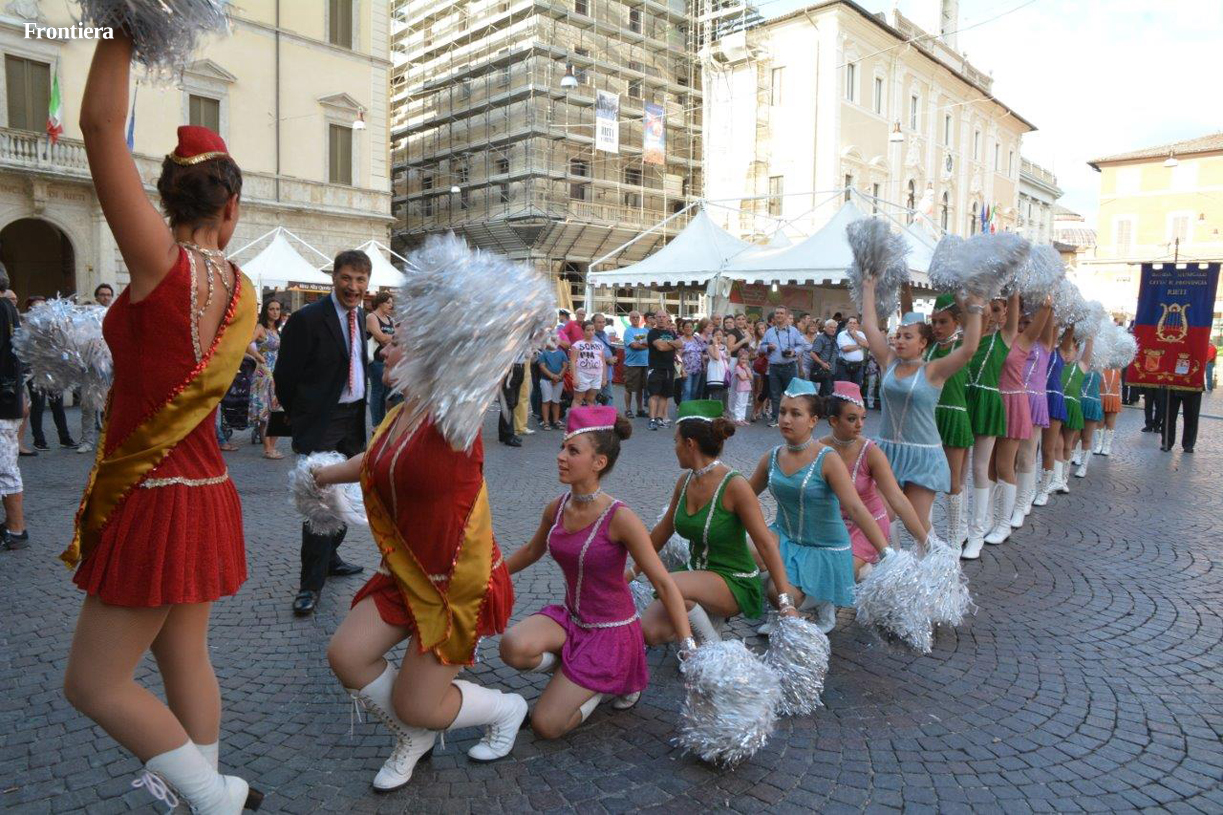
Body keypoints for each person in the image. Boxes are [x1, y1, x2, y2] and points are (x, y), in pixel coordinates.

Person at [62, 32, 261, 812]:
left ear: (167, 200)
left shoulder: (160, 264)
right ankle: (203, 793)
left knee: (93, 682)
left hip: (152, 494)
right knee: (186, 656)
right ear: (231, 206)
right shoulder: (242, 287)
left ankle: (212, 796)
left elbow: (99, 128)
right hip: (207, 489)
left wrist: (121, 26)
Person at [320, 339, 527, 793]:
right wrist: (322, 476)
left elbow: (484, 368)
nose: (384, 351)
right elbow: (376, 460)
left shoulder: (456, 415)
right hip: (405, 575)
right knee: (347, 655)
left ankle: (505, 709)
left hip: (457, 587)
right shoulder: (399, 413)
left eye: (395, 343)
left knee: (415, 704)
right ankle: (413, 736)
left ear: (429, 351)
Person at [500, 406, 693, 732]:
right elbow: (532, 551)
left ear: (599, 462)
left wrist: (689, 647)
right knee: (513, 647)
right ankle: (576, 672)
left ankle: (606, 683)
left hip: (610, 632)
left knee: (547, 725)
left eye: (573, 451)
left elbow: (662, 582)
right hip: (572, 619)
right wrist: (490, 576)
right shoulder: (557, 507)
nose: (561, 456)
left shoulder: (620, 518)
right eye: (562, 447)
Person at [646, 399, 798, 644]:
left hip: (733, 579)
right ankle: (702, 613)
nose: (674, 447)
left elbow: (765, 543)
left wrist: (785, 602)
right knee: (650, 632)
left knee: (667, 584)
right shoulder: (685, 481)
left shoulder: (735, 485)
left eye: (676, 441)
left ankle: (712, 646)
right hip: (694, 573)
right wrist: (630, 572)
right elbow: (663, 531)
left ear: (690, 443)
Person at [747, 380, 892, 634]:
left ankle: (824, 598)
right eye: (782, 412)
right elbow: (743, 497)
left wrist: (886, 553)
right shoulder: (772, 456)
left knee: (777, 593)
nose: (786, 420)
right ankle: (788, 599)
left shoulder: (827, 459)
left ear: (813, 421)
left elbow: (856, 508)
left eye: (796, 414)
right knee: (746, 552)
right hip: (785, 536)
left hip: (823, 549)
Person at [274, 250, 372, 617]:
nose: (353, 286)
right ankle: (309, 585)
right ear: (334, 278)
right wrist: (302, 417)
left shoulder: (360, 317)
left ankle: (331, 558)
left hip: (353, 419)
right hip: (322, 421)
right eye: (346, 278)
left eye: (360, 280)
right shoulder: (307, 319)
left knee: (348, 494)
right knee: (320, 502)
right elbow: (284, 376)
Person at [860, 280, 984, 547]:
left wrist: (974, 309)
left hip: (922, 455)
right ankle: (892, 565)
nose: (899, 341)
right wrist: (868, 287)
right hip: (887, 451)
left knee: (916, 522)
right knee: (882, 516)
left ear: (923, 343)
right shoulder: (888, 361)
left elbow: (969, 349)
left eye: (908, 337)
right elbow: (869, 326)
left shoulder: (933, 370)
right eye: (898, 335)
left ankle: (937, 562)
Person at [821, 381, 929, 579]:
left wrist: (926, 541)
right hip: (832, 525)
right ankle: (862, 572)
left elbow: (897, 498)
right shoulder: (819, 449)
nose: (860, 425)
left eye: (863, 418)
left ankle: (863, 569)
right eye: (852, 419)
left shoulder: (870, 452)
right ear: (834, 421)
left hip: (868, 525)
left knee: (840, 571)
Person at [983, 298, 1051, 545]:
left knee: (1007, 464)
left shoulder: (1022, 340)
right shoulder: (988, 339)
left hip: (1013, 403)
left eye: (999, 310)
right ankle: (987, 519)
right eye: (993, 310)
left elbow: (1044, 312)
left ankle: (1005, 522)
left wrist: (1044, 298)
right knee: (988, 467)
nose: (995, 315)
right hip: (992, 402)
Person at [962, 293, 1020, 556]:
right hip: (964, 400)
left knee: (980, 468)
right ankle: (960, 529)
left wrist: (1014, 290)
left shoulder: (1003, 338)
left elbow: (1013, 313)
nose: (990, 313)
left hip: (987, 403)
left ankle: (977, 534)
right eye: (986, 309)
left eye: (996, 309)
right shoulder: (967, 338)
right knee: (959, 470)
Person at [923, 295, 973, 545]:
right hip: (929, 417)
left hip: (954, 416)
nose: (937, 327)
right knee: (927, 479)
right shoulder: (929, 348)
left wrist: (959, 296)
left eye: (943, 321)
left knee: (954, 480)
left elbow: (974, 323)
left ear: (957, 321)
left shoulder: (963, 348)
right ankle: (927, 537)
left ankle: (955, 537)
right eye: (934, 322)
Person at [1009, 312, 1057, 528]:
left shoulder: (1044, 343)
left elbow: (1048, 316)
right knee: (1008, 458)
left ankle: (1021, 504)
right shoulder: (1012, 341)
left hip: (1033, 401)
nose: (1023, 327)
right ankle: (1009, 502)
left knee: (1026, 455)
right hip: (1012, 400)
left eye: (1028, 322)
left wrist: (1048, 305)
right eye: (1020, 322)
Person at [0, 271, 27, 550]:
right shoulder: (9, 308)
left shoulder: (2, 308)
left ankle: (17, 529)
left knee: (5, 467)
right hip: (8, 401)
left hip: (3, 405)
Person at [1034, 325, 1071, 507]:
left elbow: (1069, 330)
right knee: (1030, 449)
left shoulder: (1061, 351)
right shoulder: (1035, 346)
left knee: (1048, 448)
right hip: (1035, 397)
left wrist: (1068, 318)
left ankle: (1043, 490)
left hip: (1053, 399)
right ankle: (1029, 487)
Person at [248, 298, 283, 459]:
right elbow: (246, 343)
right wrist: (257, 356)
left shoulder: (276, 329)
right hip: (264, 373)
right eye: (271, 309)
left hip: (277, 372)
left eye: (277, 309)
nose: (275, 312)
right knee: (266, 412)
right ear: (266, 311)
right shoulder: (260, 328)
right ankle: (268, 449)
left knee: (279, 411)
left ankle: (272, 447)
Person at [760, 307, 804, 426]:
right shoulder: (769, 332)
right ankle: (775, 418)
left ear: (786, 315)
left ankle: (791, 418)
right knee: (775, 395)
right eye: (777, 313)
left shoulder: (794, 331)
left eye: (781, 313)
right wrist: (768, 347)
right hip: (774, 367)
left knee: (791, 394)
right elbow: (761, 347)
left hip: (790, 366)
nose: (779, 315)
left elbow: (801, 346)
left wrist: (794, 352)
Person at [1056, 330, 1089, 490]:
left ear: (1076, 351)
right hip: (1056, 406)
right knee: (1055, 444)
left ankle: (1063, 479)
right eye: (1065, 350)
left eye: (1070, 350)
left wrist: (1090, 335)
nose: (1067, 354)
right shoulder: (1056, 364)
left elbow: (1088, 351)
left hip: (1071, 408)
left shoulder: (1080, 367)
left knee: (1068, 445)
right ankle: (1053, 475)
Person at [365, 292, 395, 429]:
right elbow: (381, 338)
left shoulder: (390, 319)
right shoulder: (372, 317)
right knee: (378, 390)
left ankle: (387, 423)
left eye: (391, 303)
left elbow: (394, 338)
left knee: (389, 392)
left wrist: (387, 337)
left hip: (388, 360)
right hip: (375, 360)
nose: (391, 305)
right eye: (388, 302)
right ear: (380, 303)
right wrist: (389, 337)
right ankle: (377, 424)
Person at [646, 313, 681, 430]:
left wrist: (667, 343)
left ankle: (659, 419)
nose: (661, 319)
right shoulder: (652, 333)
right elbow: (660, 347)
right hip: (656, 367)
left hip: (669, 368)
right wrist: (672, 344)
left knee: (664, 395)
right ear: (655, 319)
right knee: (654, 394)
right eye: (659, 317)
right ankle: (652, 420)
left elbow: (680, 344)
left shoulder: (671, 332)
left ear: (667, 319)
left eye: (664, 317)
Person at [1075, 366, 1104, 477]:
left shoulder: (1099, 367)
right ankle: (1064, 471)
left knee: (1087, 438)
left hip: (1091, 404)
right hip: (1077, 402)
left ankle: (1083, 467)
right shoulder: (1077, 364)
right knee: (1074, 437)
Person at [621, 310, 649, 417]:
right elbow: (634, 346)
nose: (635, 319)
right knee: (629, 388)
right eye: (633, 317)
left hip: (645, 363)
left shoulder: (645, 331)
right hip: (631, 364)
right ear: (630, 319)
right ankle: (628, 410)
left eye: (637, 317)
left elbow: (649, 343)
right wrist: (646, 345)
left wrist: (642, 344)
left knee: (640, 389)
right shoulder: (628, 331)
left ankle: (640, 409)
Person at [570, 321, 604, 407]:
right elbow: (572, 361)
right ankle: (574, 416)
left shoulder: (599, 345)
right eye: (588, 330)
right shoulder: (577, 345)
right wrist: (574, 378)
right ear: (583, 331)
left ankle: (590, 415)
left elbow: (603, 361)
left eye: (593, 330)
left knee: (591, 399)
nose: (591, 332)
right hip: (582, 374)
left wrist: (604, 377)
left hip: (596, 375)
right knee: (578, 399)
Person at [537, 338, 568, 430]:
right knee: (546, 401)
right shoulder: (544, 353)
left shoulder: (562, 353)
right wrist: (552, 376)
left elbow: (565, 366)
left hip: (559, 381)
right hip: (546, 380)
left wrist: (559, 376)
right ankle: (546, 422)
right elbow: (542, 366)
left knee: (556, 401)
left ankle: (555, 421)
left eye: (555, 341)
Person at [498, 350, 526, 448]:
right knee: (508, 403)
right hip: (510, 367)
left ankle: (504, 434)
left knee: (513, 403)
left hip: (520, 366)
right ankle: (508, 435)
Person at [678, 319, 706, 403]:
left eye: (691, 327)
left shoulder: (697, 339)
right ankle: (684, 410)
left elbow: (700, 352)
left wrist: (704, 365)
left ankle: (691, 409)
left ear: (693, 328)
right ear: (683, 329)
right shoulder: (680, 340)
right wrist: (682, 371)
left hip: (698, 369)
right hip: (687, 370)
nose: (689, 328)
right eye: (687, 327)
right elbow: (678, 357)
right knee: (687, 391)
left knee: (694, 391)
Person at [835, 317, 868, 387]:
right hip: (844, 366)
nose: (852, 325)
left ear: (858, 325)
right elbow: (845, 348)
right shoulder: (841, 334)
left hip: (858, 366)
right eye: (850, 323)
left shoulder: (861, 334)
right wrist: (859, 346)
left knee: (857, 387)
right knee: (844, 388)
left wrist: (855, 335)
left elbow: (867, 345)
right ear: (847, 324)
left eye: (854, 323)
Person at [1096, 367, 1122, 456]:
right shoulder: (1099, 367)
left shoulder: (1118, 367)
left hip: (1113, 397)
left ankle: (1107, 446)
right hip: (1100, 396)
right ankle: (1098, 445)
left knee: (1110, 423)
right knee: (1099, 423)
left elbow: (1120, 384)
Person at [809, 319, 838, 397]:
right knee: (824, 395)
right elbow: (812, 353)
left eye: (835, 328)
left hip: (831, 371)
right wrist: (822, 363)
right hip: (823, 371)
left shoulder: (833, 339)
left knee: (827, 394)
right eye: (831, 327)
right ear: (825, 328)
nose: (833, 329)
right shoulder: (821, 338)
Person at [705, 328, 728, 409]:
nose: (718, 336)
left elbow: (727, 360)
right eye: (716, 335)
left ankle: (722, 413)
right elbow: (717, 357)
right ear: (713, 336)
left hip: (723, 375)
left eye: (720, 335)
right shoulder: (710, 347)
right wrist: (716, 344)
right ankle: (715, 414)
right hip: (715, 375)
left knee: (723, 396)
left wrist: (728, 356)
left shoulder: (725, 347)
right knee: (716, 396)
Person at [730, 347, 753, 425]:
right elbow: (742, 378)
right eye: (742, 359)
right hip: (740, 388)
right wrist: (748, 376)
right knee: (739, 403)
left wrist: (746, 369)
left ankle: (742, 418)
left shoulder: (747, 368)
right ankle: (737, 418)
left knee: (744, 403)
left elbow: (751, 377)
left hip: (747, 388)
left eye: (746, 359)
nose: (744, 361)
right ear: (739, 359)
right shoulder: (737, 367)